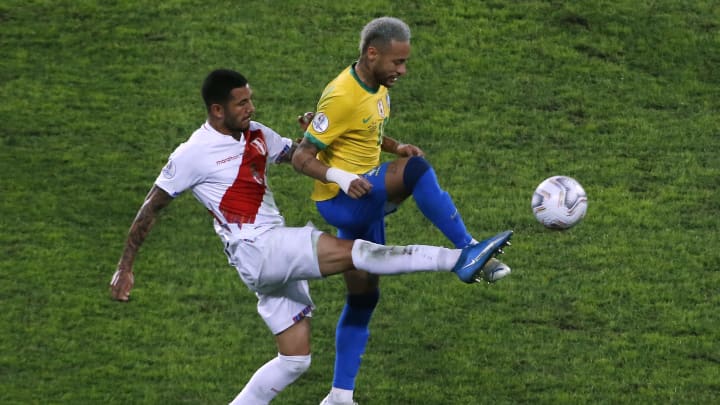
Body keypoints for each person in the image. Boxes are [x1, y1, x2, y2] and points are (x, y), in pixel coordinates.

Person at [109, 69, 513, 404]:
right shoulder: (192, 153)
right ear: (217, 110)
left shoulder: (257, 135)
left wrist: (321, 135)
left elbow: (302, 155)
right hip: (260, 249)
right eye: (242, 103)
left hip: (264, 258)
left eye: (251, 100)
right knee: (358, 252)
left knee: (294, 361)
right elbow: (152, 206)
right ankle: (458, 259)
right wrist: (125, 267)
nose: (251, 108)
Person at [292, 17, 513, 405]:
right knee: (417, 173)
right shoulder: (342, 94)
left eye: (405, 62)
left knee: (363, 297)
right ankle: (468, 249)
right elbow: (301, 156)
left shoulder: (376, 86)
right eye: (397, 62)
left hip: (364, 202)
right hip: (342, 200)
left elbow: (366, 131)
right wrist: (342, 178)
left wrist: (396, 148)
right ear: (372, 53)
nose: (402, 71)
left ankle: (339, 396)